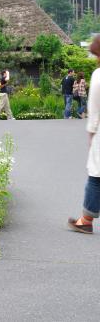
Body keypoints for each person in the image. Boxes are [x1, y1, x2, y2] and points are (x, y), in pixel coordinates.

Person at [68, 36, 100, 233]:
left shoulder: (98, 75)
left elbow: (95, 107)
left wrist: (91, 131)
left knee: (96, 175)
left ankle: (86, 220)